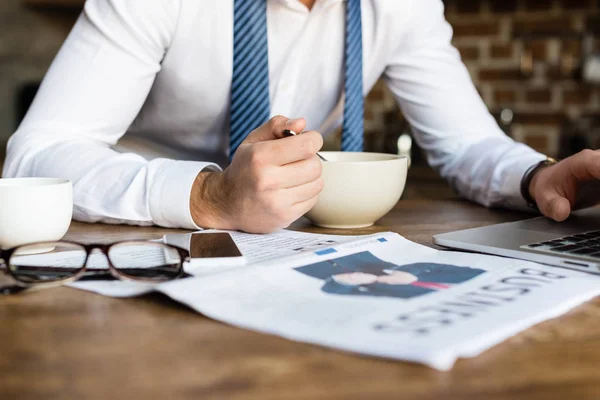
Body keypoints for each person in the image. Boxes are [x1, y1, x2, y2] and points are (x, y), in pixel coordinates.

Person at [3, 0, 600, 233]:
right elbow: (37, 154)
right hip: (134, 233)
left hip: (297, 256)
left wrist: (534, 177)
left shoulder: (404, 6)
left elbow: (468, 142)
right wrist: (208, 195)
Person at [295, 251, 486, 299]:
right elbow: (438, 267)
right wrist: (410, 273)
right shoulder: (475, 278)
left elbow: (338, 294)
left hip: (317, 269)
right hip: (364, 260)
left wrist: (341, 282)